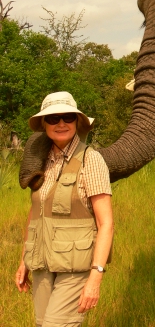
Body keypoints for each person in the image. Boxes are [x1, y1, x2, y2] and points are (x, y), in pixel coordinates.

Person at [15, 91, 113, 327]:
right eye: (53, 118)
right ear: (44, 124)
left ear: (77, 122)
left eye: (68, 117)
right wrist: (24, 260)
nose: (61, 124)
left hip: (74, 268)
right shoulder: (39, 160)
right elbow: (35, 214)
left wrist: (96, 276)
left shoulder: (91, 160)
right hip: (41, 264)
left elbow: (106, 223)